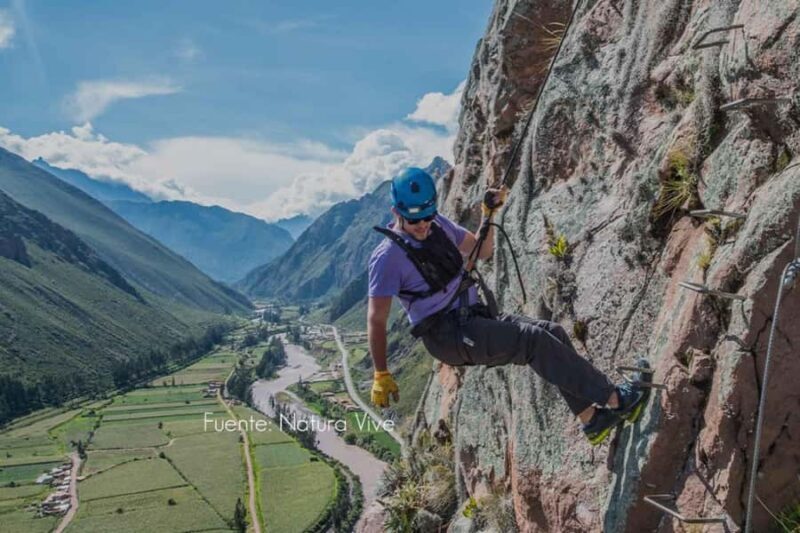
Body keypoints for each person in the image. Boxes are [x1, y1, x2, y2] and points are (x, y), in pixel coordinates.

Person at [366, 167, 649, 445]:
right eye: (415, 221)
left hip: (472, 317)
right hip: (446, 335)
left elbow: (482, 251)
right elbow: (376, 320)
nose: (424, 225)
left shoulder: (439, 225)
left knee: (553, 333)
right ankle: (617, 399)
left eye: (427, 216)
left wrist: (489, 214)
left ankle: (592, 420)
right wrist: (381, 372)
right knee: (533, 342)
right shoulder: (387, 258)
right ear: (396, 212)